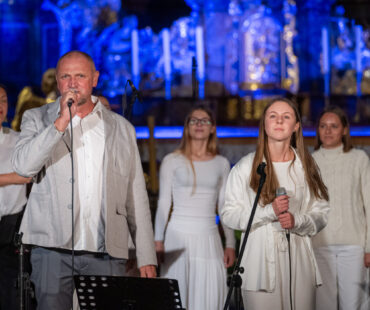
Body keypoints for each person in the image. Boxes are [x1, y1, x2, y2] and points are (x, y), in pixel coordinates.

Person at [11, 51, 157, 310]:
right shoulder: (36, 118)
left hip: (106, 250)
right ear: (57, 81)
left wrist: (146, 255)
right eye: (66, 76)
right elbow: (24, 166)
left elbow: (136, 194)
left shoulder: (121, 128)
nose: (72, 83)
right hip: (52, 249)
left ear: (94, 79)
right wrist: (60, 123)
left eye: (80, 76)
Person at [221, 98, 330, 310]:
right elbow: (229, 214)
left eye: (286, 116)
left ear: (296, 126)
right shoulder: (246, 167)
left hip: (299, 259)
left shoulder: (307, 166)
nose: (279, 121)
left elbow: (321, 212)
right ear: (264, 123)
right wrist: (268, 211)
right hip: (259, 262)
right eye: (273, 116)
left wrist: (296, 220)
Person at [154, 106, 236, 310]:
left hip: (209, 237)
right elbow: (164, 202)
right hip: (177, 237)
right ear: (187, 127)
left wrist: (231, 243)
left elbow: (224, 204)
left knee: (207, 298)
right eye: (194, 120)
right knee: (177, 295)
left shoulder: (222, 163)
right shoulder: (171, 160)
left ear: (213, 128)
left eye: (205, 120)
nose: (199, 124)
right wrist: (158, 241)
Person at [312, 106, 370, 310]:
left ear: (344, 130)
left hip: (353, 245)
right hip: (319, 244)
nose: (328, 131)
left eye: (334, 126)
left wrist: (369, 246)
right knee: (323, 305)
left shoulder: (359, 159)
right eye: (323, 126)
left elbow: (369, 203)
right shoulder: (310, 162)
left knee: (353, 304)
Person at [0, 84, 32, 309]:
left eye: (2, 100)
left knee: (11, 294)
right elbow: (18, 176)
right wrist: (12, 176)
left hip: (11, 227)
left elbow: (27, 176)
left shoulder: (20, 140)